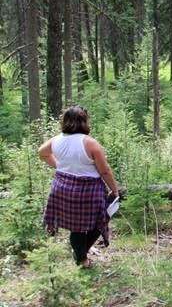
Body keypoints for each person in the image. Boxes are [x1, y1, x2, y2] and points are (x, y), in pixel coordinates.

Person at [39, 106, 120, 269]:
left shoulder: (57, 140)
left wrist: (59, 167)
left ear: (65, 121)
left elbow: (42, 152)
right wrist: (115, 190)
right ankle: (81, 255)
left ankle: (81, 258)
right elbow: (104, 170)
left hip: (62, 188)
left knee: (76, 228)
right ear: (84, 122)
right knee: (100, 220)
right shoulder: (90, 143)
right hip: (88, 191)